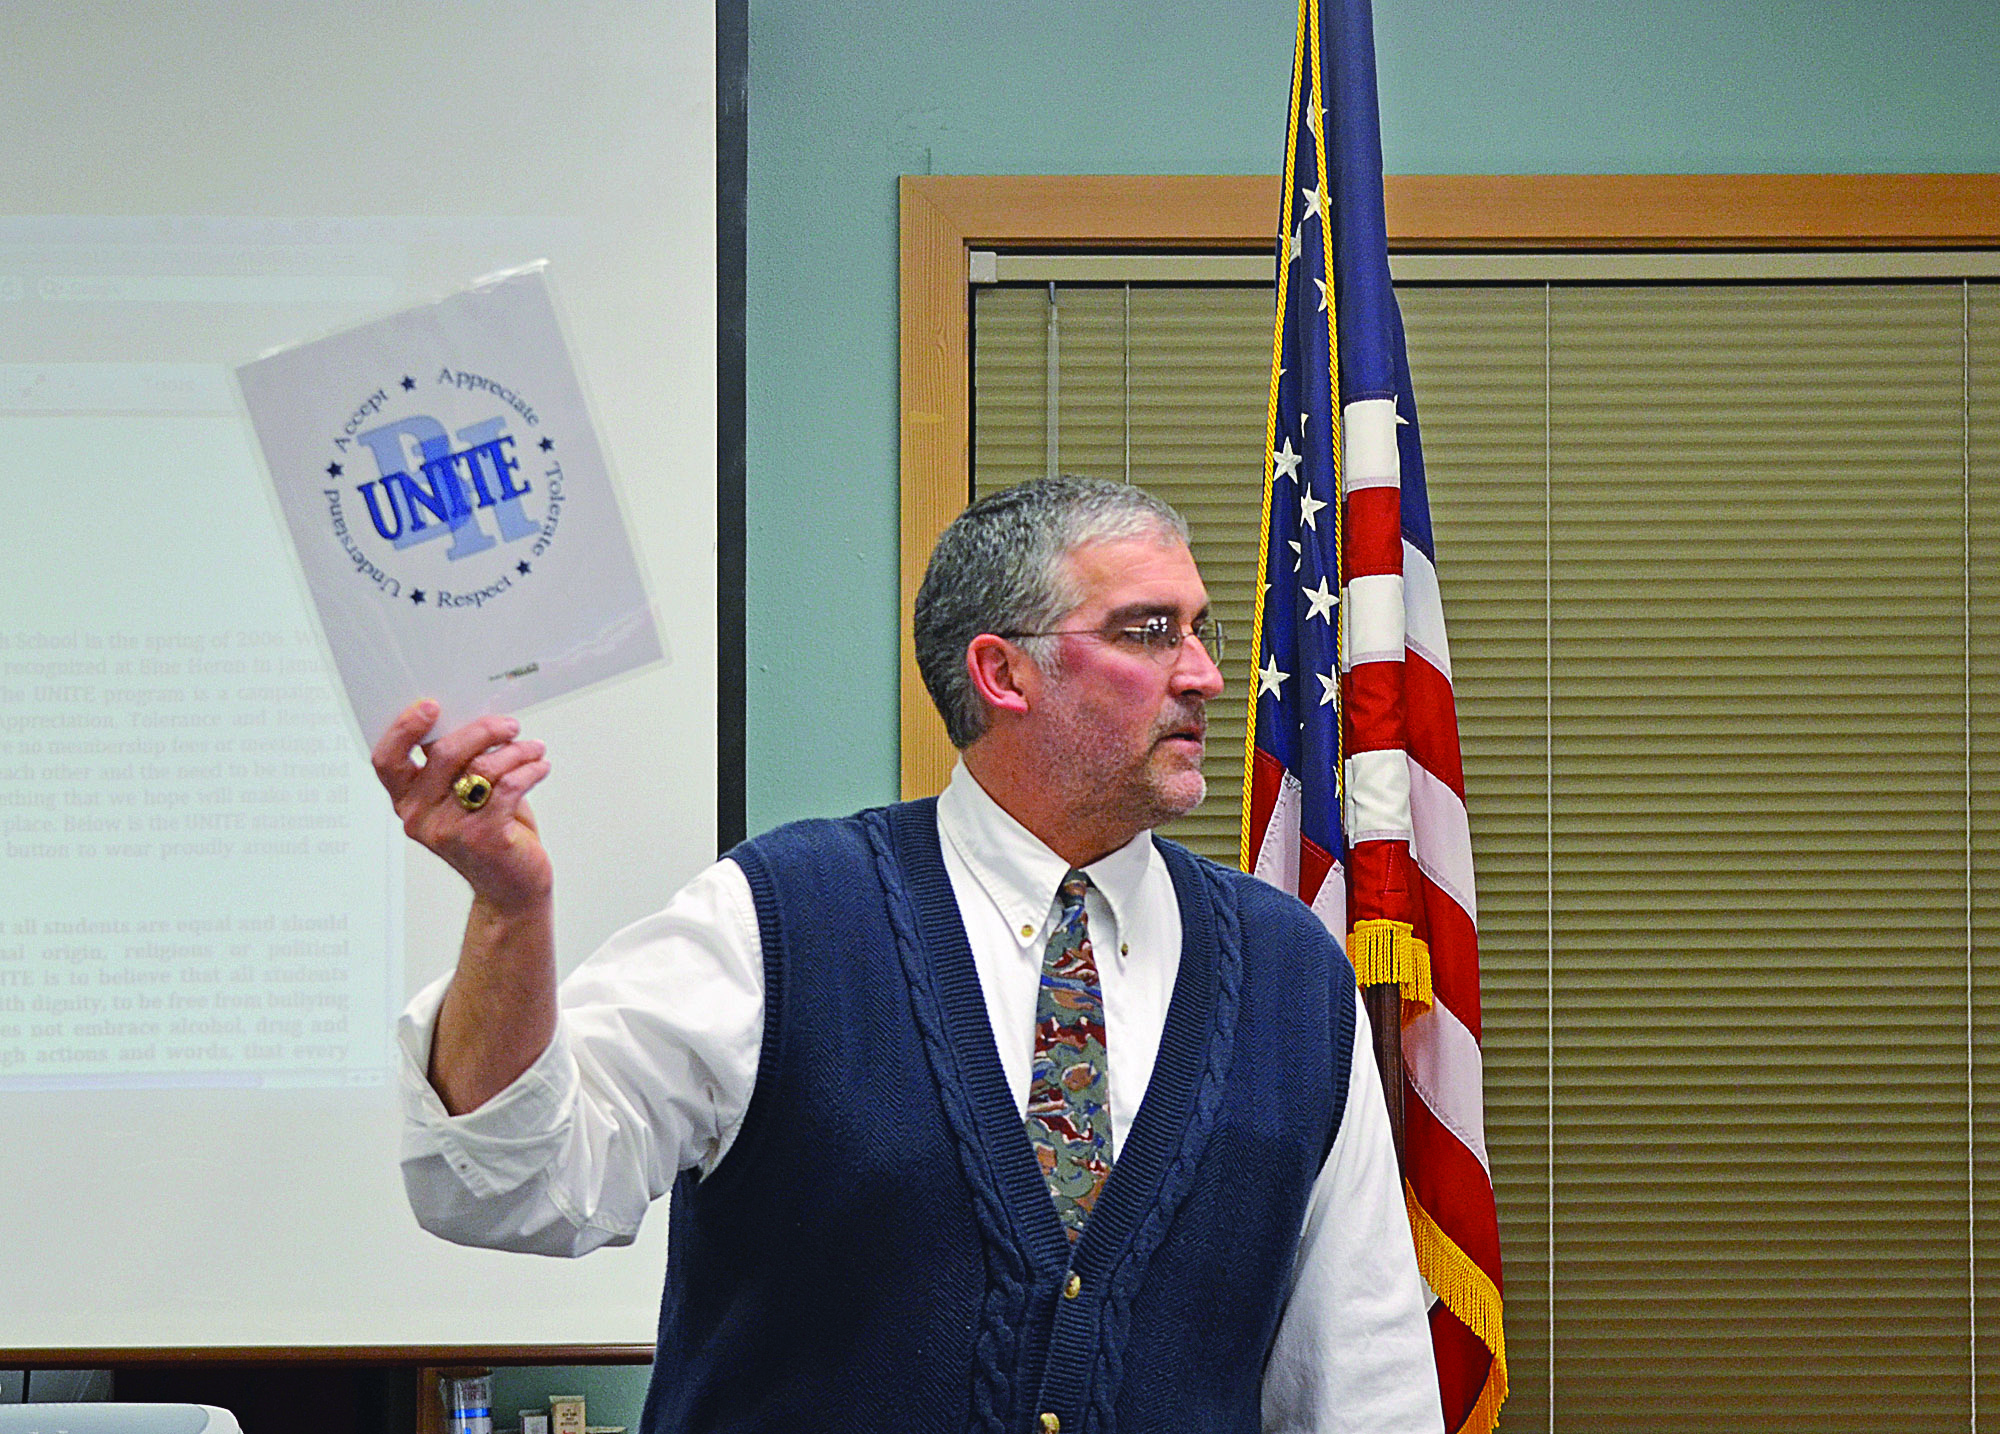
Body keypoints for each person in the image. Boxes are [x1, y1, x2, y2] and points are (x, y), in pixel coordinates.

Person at [378, 476, 1444, 1434]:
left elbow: (1361, 1372)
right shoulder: (780, 918)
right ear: (1002, 673)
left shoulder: (1289, 973)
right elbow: (511, 1182)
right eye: (1148, 631)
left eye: (1199, 630)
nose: (1206, 676)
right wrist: (509, 915)